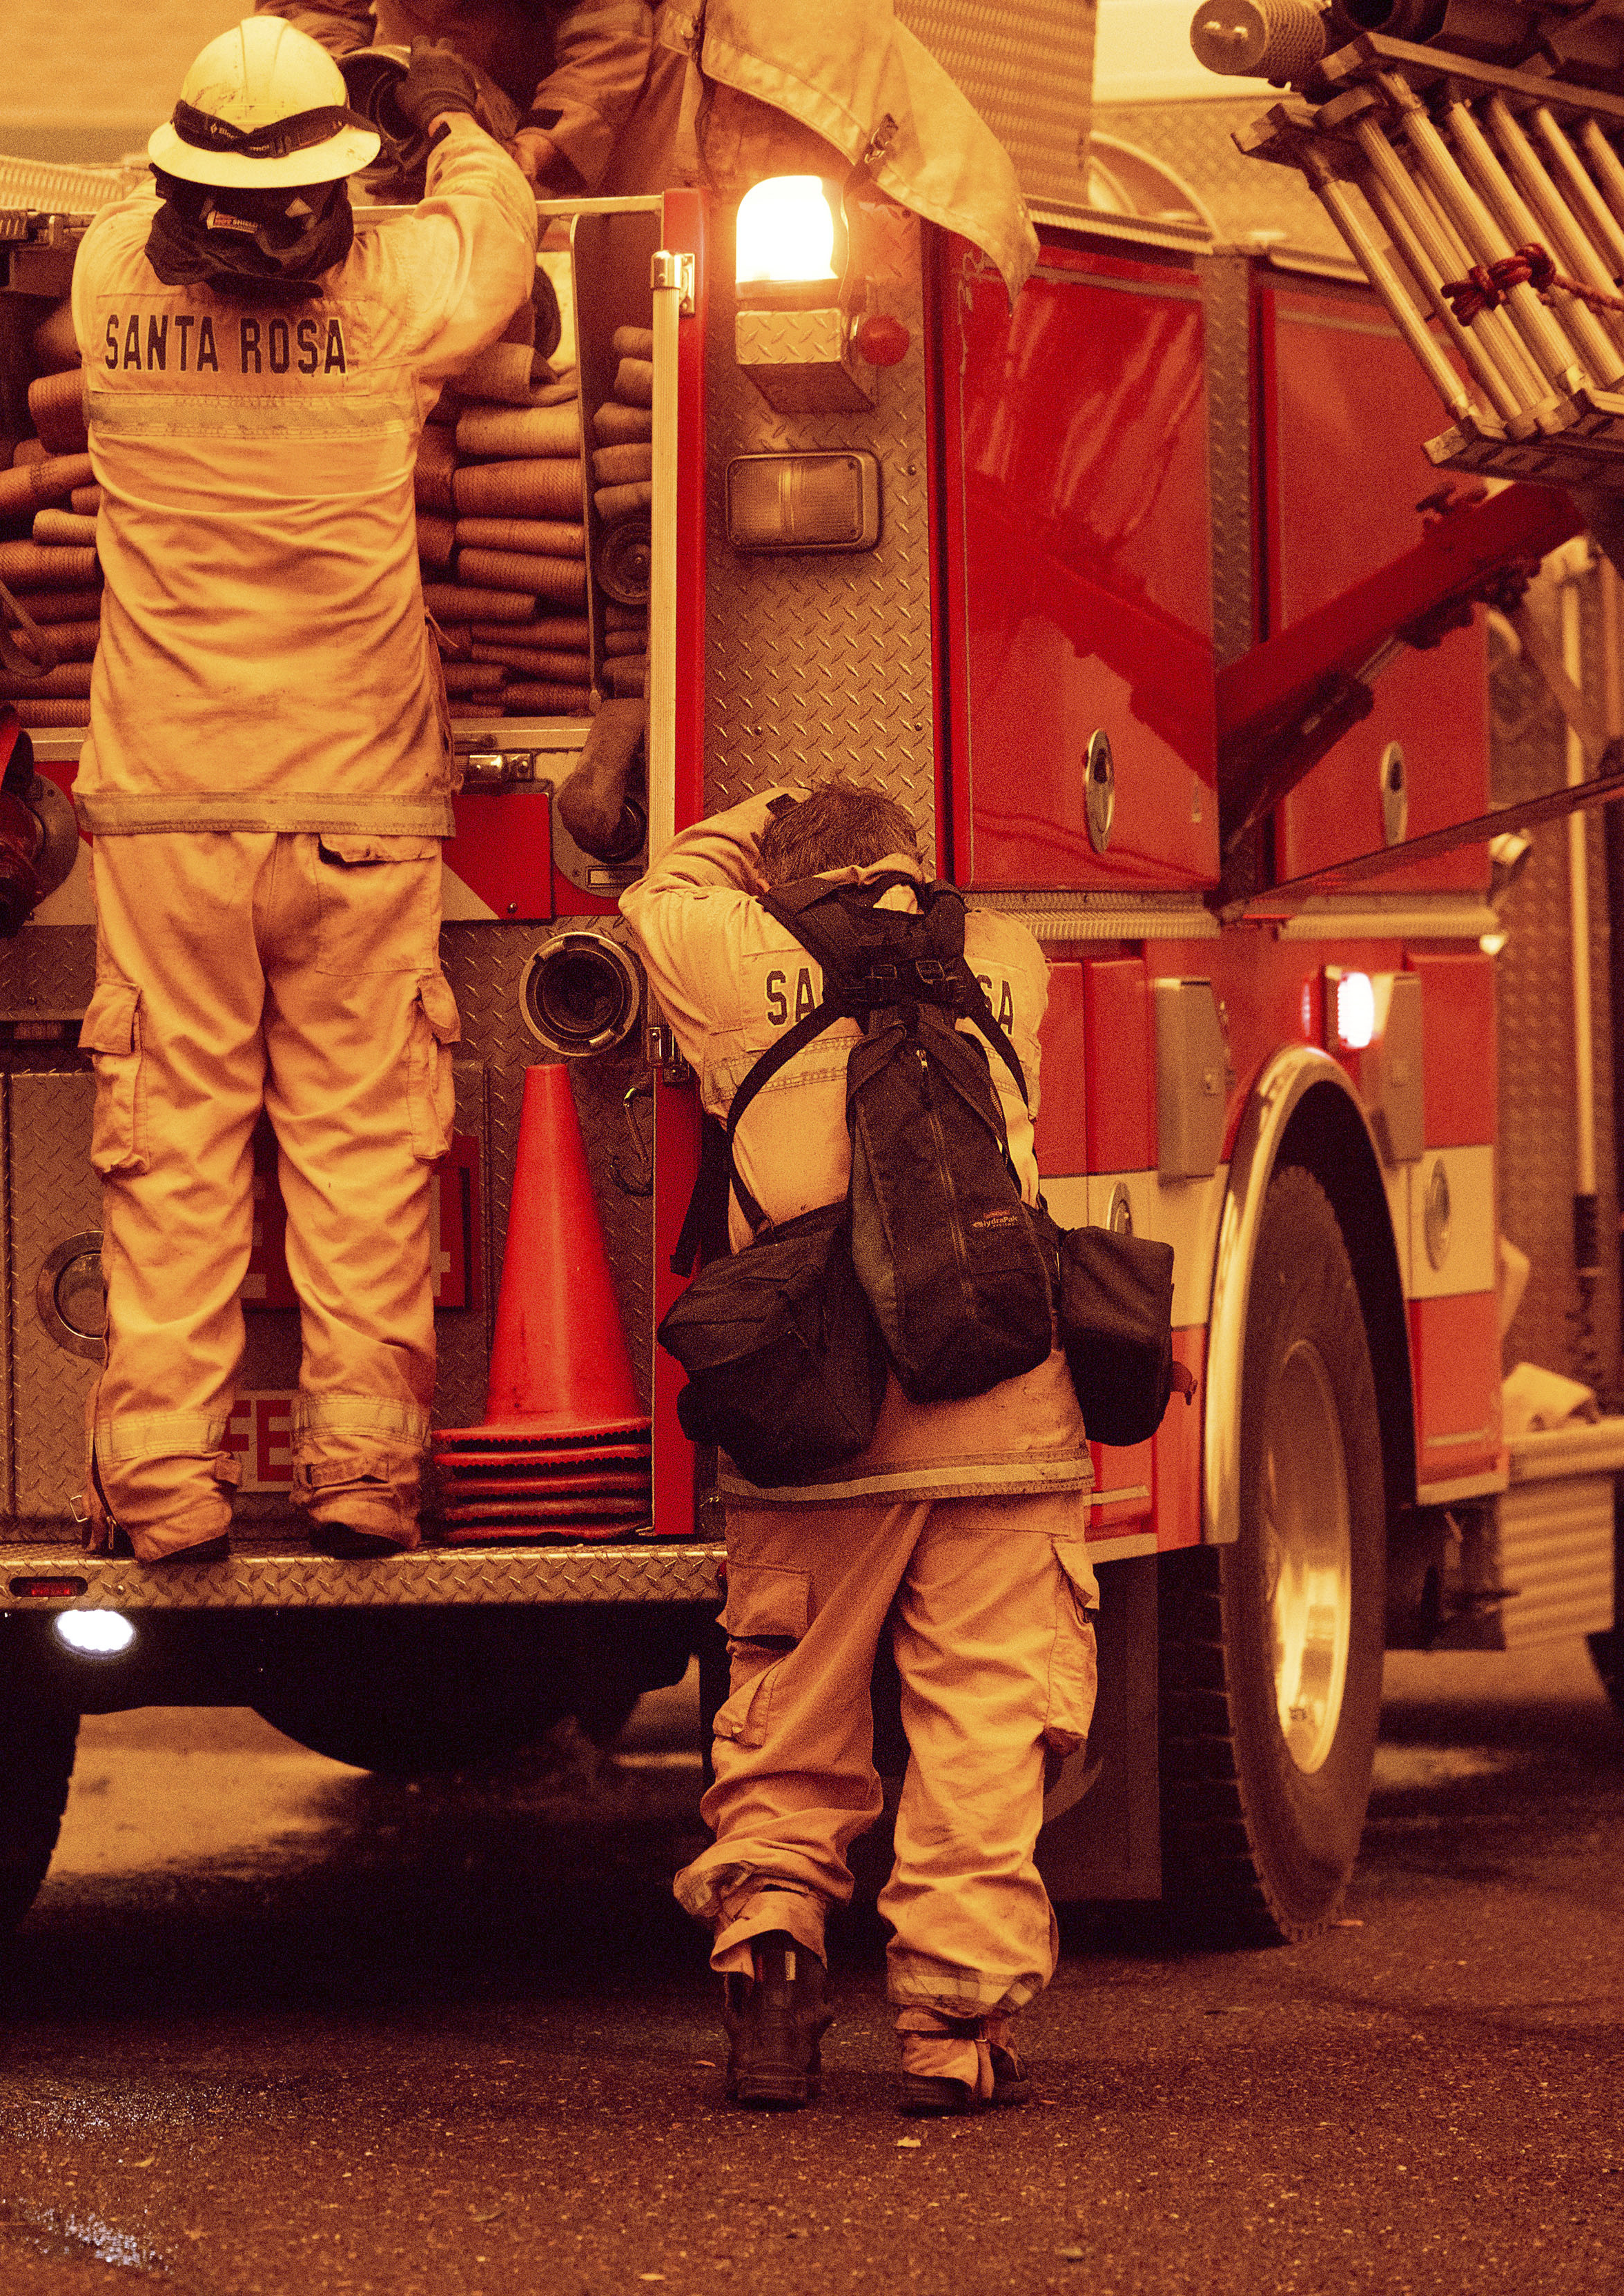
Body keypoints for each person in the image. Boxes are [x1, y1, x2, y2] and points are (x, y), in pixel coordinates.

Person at [71, 19, 536, 1565]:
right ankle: (357, 1477)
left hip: (166, 803)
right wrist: (447, 107)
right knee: (358, 1144)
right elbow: (496, 234)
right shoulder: (402, 292)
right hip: (357, 804)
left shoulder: (103, 281)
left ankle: (163, 1483)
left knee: (175, 1146)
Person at [620, 784, 1094, 2116]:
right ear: (908, 865)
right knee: (986, 1716)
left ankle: (772, 1966)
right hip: (999, 1401)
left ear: (781, 872)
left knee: (792, 1706)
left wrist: (755, 814)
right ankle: (952, 2027)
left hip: (812, 1410)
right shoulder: (1004, 955)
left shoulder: (730, 949)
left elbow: (657, 891)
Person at [257, 0, 688, 196]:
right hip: (422, 72)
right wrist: (351, 83)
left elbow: (606, 28)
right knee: (437, 297)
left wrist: (536, 148)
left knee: (626, 272)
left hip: (590, 78)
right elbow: (308, 12)